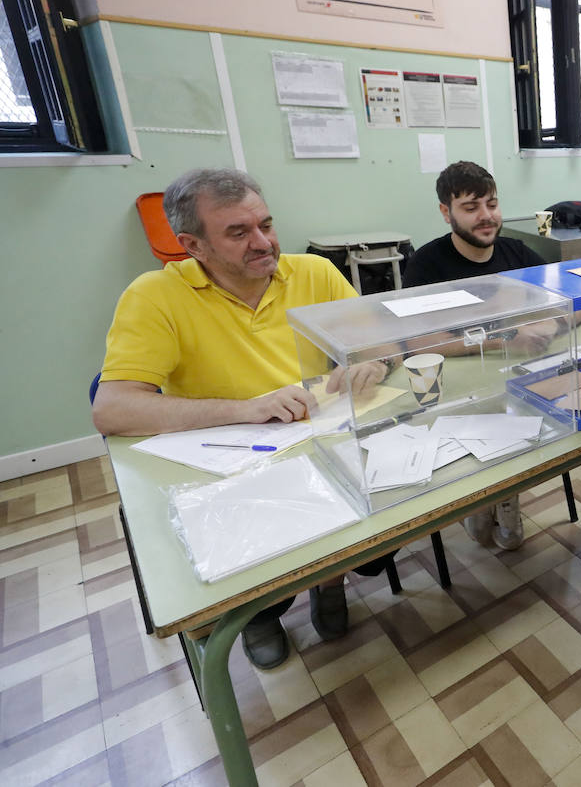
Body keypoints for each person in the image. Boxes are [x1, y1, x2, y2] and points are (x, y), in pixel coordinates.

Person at [93, 168, 390, 669]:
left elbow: (379, 342)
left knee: (378, 526)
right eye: (238, 232)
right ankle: (260, 614)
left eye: (267, 225)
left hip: (322, 440)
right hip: (235, 458)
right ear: (193, 245)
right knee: (254, 543)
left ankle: (329, 583)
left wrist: (371, 361)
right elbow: (113, 408)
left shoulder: (313, 273)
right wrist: (245, 409)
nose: (263, 243)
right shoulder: (153, 296)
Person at [402, 161, 548, 550]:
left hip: (516, 378)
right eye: (471, 207)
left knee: (522, 416)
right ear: (445, 212)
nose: (486, 216)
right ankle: (477, 498)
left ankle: (506, 495)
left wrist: (549, 326)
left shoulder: (518, 253)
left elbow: (565, 299)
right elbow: (420, 344)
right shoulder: (426, 265)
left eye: (492, 204)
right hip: (456, 384)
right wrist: (508, 338)